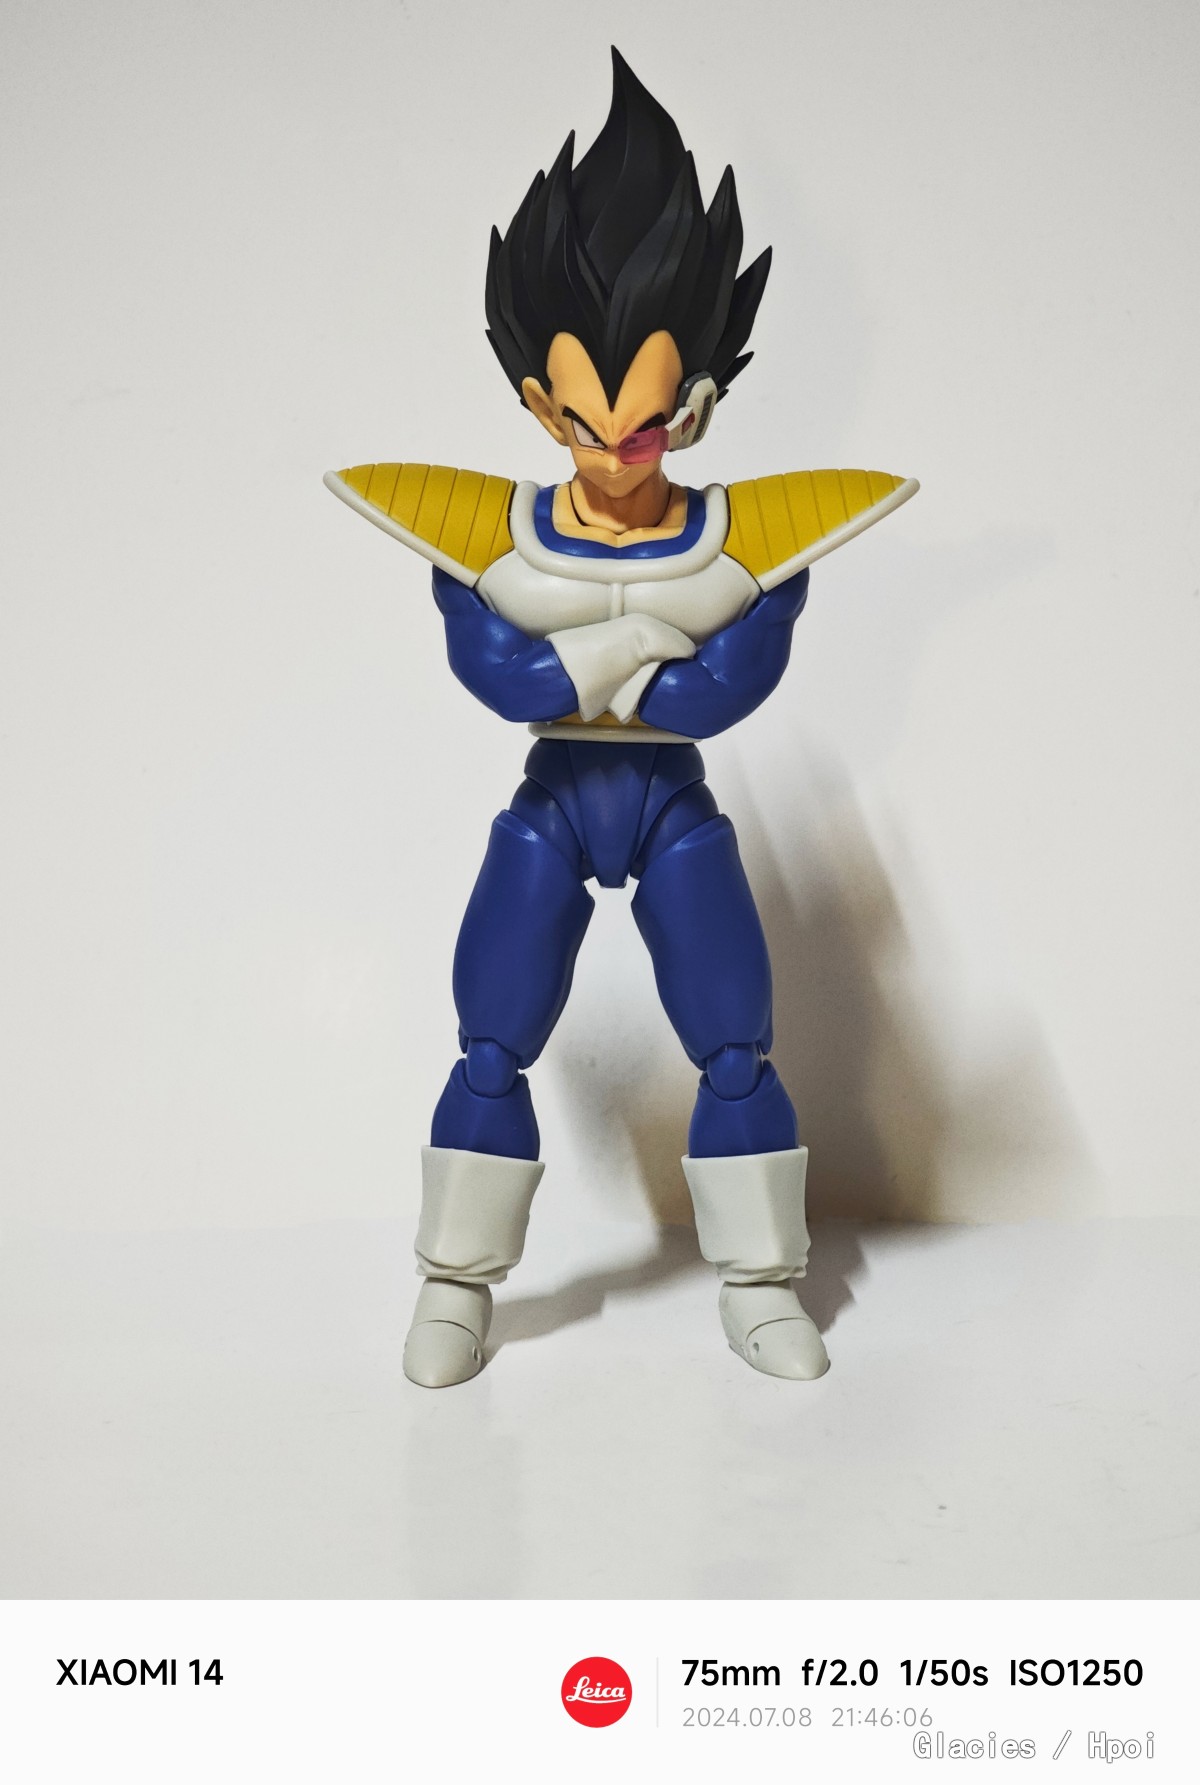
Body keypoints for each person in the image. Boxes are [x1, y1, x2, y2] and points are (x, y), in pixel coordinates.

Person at [326, 49, 917, 1388]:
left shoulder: (747, 538)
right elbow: (504, 678)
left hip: (670, 807)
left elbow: (728, 685)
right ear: (539, 403)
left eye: (643, 428)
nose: (611, 451)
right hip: (556, 802)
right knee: (492, 1039)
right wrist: (643, 638)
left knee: (734, 1040)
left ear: (695, 405)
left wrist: (603, 657)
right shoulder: (491, 533)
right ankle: (455, 1282)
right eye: (584, 422)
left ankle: (761, 1283)